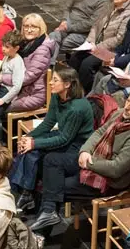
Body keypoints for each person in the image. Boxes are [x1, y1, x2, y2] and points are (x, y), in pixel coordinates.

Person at [29, 87, 130, 234]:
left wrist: (89, 162)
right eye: (128, 101)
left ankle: (40, 233)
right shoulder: (121, 115)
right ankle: (49, 213)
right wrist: (85, 151)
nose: (127, 107)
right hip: (94, 158)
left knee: (50, 185)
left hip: (108, 181)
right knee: (51, 160)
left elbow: (116, 169)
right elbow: (99, 132)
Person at [10, 66, 94, 213]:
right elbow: (48, 123)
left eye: (55, 80)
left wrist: (35, 143)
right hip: (63, 136)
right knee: (28, 149)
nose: (50, 83)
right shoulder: (57, 96)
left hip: (77, 146)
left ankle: (26, 193)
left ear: (67, 84)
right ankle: (26, 193)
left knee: (34, 149)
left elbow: (65, 139)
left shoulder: (77, 108)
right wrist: (29, 137)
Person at [68, 0, 130, 75]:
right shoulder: (110, 6)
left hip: (109, 50)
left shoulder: (128, 14)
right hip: (95, 45)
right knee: (74, 58)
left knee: (86, 65)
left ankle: (85, 88)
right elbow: (95, 25)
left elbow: (119, 39)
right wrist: (90, 41)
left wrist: (98, 47)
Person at [6, 13, 59, 115]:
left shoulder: (42, 50)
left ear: (41, 29)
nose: (29, 30)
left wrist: (3, 78)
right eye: (26, 26)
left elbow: (28, 76)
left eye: (34, 27)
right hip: (20, 88)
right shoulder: (25, 44)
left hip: (33, 94)